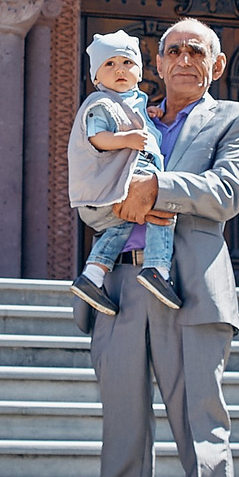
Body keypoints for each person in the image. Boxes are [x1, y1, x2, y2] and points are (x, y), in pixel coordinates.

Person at [56, 17, 239, 477]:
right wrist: (108, 208)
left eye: (197, 51)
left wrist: (159, 189)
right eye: (172, 50)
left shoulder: (236, 119)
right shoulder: (125, 112)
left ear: (215, 66)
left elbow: (229, 191)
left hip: (190, 290)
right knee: (122, 427)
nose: (184, 59)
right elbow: (91, 176)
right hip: (120, 289)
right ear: (158, 61)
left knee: (203, 426)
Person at [68, 31, 178, 317]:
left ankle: (92, 275)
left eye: (127, 62)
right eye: (110, 64)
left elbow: (136, 119)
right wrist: (125, 140)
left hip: (120, 187)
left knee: (120, 226)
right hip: (121, 181)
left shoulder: (135, 103)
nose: (119, 69)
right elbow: (96, 138)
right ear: (95, 78)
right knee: (162, 206)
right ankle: (157, 267)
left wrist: (150, 114)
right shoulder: (100, 104)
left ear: (139, 72)